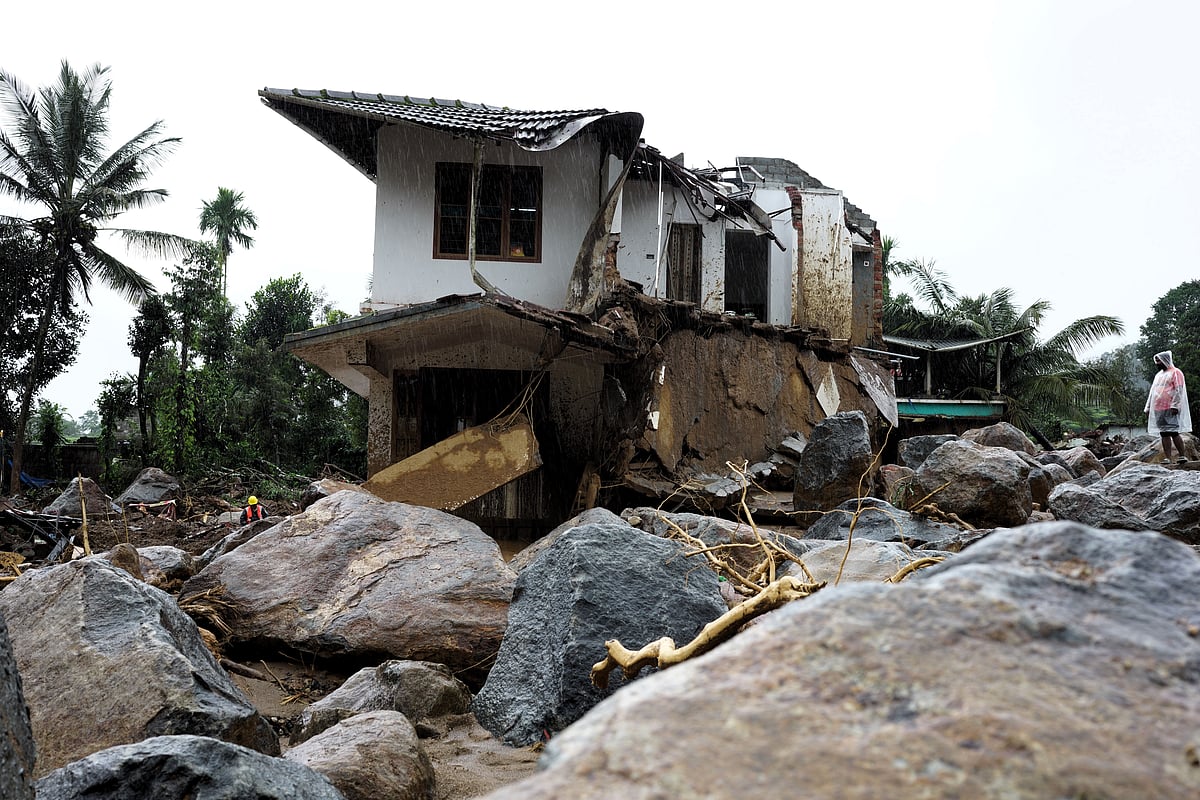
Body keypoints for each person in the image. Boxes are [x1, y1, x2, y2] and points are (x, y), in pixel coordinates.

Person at [1145, 350, 1192, 463]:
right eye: (1156, 361)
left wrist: (1175, 405)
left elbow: (1178, 389)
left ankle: (1181, 455)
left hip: (1170, 408)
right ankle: (1168, 458)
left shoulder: (1176, 372)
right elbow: (1153, 392)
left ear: (1165, 360)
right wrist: (1148, 407)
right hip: (1158, 408)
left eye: (1158, 361)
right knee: (1164, 433)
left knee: (1174, 432)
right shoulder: (1158, 375)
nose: (1157, 363)